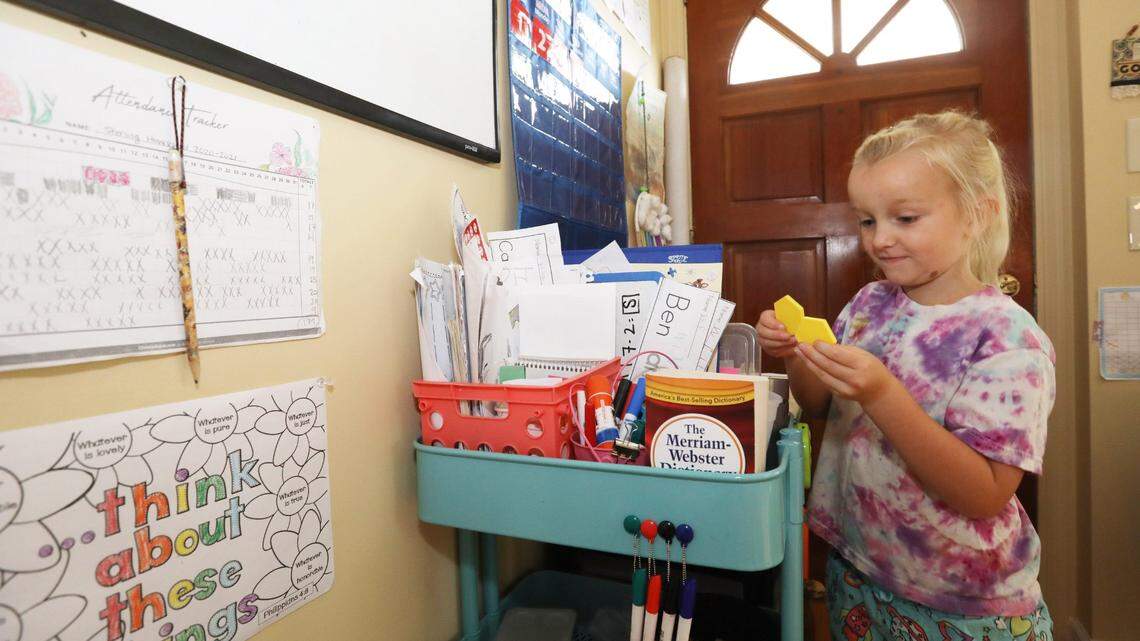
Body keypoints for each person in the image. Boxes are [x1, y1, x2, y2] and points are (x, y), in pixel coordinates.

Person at [757, 111, 1055, 641]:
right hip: (858, 570)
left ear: (977, 215)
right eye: (868, 220)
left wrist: (881, 392)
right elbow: (819, 404)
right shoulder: (870, 304)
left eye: (906, 218)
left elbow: (985, 492)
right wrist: (796, 355)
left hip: (962, 602)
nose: (880, 240)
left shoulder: (1008, 337)